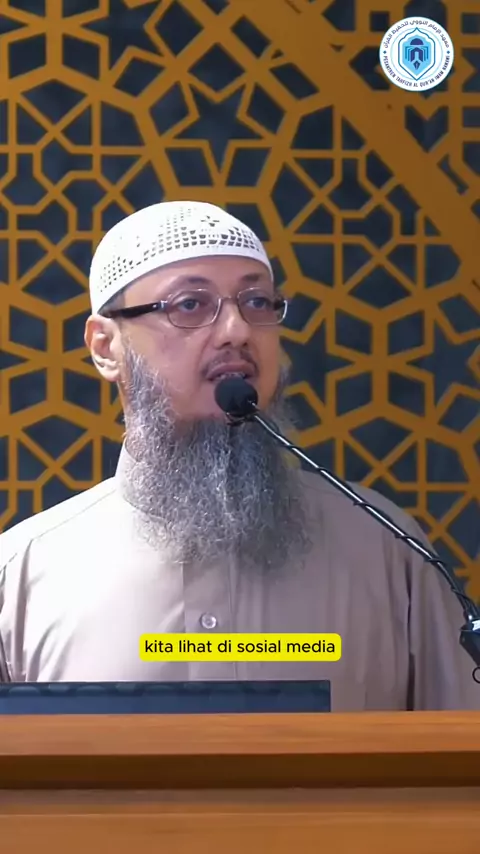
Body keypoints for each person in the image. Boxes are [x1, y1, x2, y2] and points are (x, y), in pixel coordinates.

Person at [0, 200, 478, 711]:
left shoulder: (387, 550)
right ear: (105, 346)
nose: (237, 330)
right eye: (190, 305)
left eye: (257, 302)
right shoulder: (24, 575)